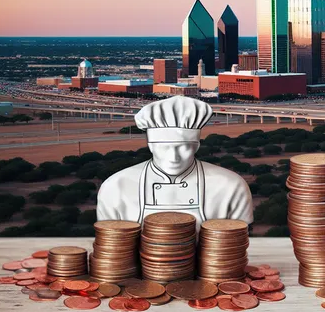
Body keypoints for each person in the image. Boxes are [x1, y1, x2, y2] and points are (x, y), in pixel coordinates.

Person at [97, 96, 253, 228]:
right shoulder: (115, 186)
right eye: (164, 147)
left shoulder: (231, 186)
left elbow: (241, 241)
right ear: (150, 146)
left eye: (184, 147)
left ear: (197, 146)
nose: (174, 157)